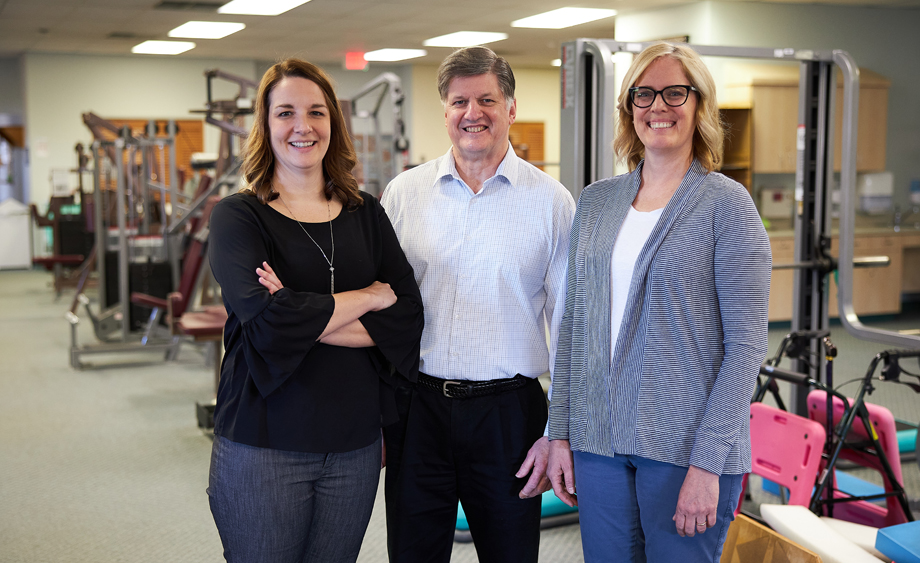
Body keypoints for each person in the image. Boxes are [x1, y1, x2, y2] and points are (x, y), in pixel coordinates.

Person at [546, 41, 771, 563]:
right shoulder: (597, 201)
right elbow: (574, 327)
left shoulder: (726, 205)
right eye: (643, 95)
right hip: (598, 441)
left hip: (686, 446)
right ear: (629, 109)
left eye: (675, 92)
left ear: (699, 105)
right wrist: (560, 433)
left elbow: (745, 346)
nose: (658, 106)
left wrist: (708, 462)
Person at [206, 58, 424, 563]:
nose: (302, 126)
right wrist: (369, 297)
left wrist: (298, 312)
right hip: (265, 442)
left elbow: (409, 314)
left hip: (355, 445)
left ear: (334, 123)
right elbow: (266, 325)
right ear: (265, 125)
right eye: (285, 113)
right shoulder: (238, 217)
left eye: (316, 112)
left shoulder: (367, 212)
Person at [380, 46, 575, 563]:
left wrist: (559, 431)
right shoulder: (403, 195)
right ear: (444, 110)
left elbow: (569, 326)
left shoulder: (552, 202)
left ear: (511, 107)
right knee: (411, 553)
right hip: (417, 409)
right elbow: (381, 312)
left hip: (508, 416)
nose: (473, 113)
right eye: (459, 101)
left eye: (487, 99)